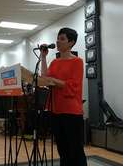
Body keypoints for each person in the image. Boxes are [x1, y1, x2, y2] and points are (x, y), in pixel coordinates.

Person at [40, 28, 87, 166]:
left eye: (62, 39)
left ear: (71, 42)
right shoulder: (55, 62)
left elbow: (73, 85)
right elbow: (44, 78)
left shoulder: (77, 61)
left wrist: (53, 81)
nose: (58, 41)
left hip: (71, 111)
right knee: (62, 150)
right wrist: (43, 57)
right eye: (57, 38)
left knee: (75, 150)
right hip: (56, 109)